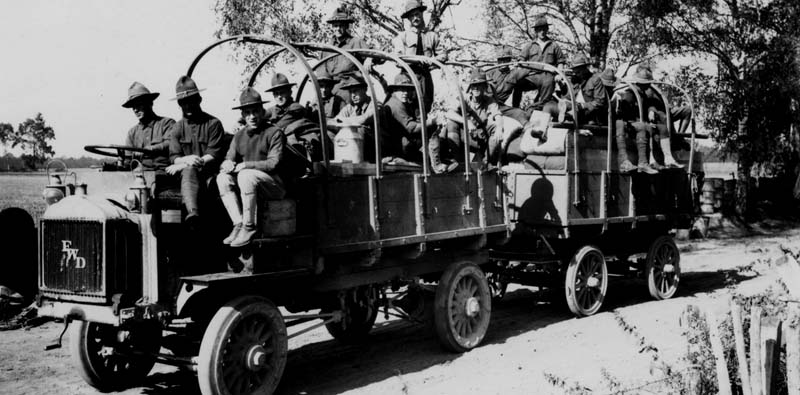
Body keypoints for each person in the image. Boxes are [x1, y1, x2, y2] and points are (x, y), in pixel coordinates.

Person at [217, 87, 287, 247]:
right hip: (250, 186)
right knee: (222, 178)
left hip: (274, 186)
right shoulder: (239, 136)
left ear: (262, 112)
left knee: (245, 174)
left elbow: (273, 163)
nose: (252, 116)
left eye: (255, 111)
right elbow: (229, 158)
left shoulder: (274, 132)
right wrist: (227, 164)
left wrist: (246, 165)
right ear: (242, 116)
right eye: (247, 113)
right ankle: (239, 224)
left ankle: (249, 226)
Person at [166, 76, 226, 226]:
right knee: (187, 171)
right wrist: (185, 160)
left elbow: (214, 154)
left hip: (208, 174)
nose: (188, 106)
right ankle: (192, 214)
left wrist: (188, 163)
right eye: (183, 102)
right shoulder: (177, 128)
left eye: (191, 100)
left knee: (189, 170)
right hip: (186, 178)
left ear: (199, 99)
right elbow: (174, 156)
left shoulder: (213, 124)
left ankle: (193, 212)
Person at [383, 73, 455, 173]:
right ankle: (437, 165)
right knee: (431, 129)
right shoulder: (395, 105)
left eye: (407, 89)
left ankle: (440, 159)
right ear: (395, 90)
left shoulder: (400, 103)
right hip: (399, 146)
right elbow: (412, 128)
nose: (405, 93)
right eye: (402, 89)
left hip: (399, 143)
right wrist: (432, 121)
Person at [393, 0, 447, 112]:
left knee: (425, 106)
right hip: (407, 76)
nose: (415, 18)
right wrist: (418, 59)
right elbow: (398, 59)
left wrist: (432, 61)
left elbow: (443, 55)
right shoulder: (403, 36)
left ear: (422, 14)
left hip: (425, 76)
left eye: (417, 14)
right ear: (408, 19)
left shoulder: (432, 36)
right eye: (411, 16)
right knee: (406, 107)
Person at [627, 65, 684, 170]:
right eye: (646, 83)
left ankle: (669, 158)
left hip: (643, 122)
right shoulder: (630, 94)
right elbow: (626, 113)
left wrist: (651, 111)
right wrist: (639, 121)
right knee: (648, 128)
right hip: (633, 123)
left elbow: (649, 105)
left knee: (662, 128)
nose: (648, 85)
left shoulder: (643, 93)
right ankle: (652, 160)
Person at [444, 68, 504, 163]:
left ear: (484, 87)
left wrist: (499, 128)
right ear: (470, 88)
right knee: (451, 123)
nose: (476, 88)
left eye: (479, 85)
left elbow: (498, 116)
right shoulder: (464, 98)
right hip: (465, 136)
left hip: (480, 138)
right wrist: (466, 122)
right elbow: (449, 113)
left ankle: (486, 162)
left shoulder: (489, 100)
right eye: (474, 85)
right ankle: (458, 162)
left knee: (495, 128)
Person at [265, 73, 327, 161]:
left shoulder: (296, 108)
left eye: (282, 92)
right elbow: (262, 115)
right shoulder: (273, 109)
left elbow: (281, 124)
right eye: (276, 94)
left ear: (290, 92)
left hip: (295, 143)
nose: (279, 96)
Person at [515, 16, 566, 113]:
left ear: (547, 29)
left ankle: (533, 109)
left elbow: (561, 61)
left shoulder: (554, 45)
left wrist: (560, 74)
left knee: (546, 98)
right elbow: (521, 60)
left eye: (544, 29)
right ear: (536, 31)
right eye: (539, 29)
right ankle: (515, 110)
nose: (542, 32)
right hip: (532, 76)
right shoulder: (530, 45)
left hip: (548, 76)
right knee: (517, 84)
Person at [324, 5, 372, 103]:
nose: (338, 28)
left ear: (346, 26)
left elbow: (374, 54)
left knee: (343, 98)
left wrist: (369, 58)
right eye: (335, 25)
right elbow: (322, 72)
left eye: (341, 25)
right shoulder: (327, 48)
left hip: (350, 85)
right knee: (316, 105)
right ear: (332, 27)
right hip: (331, 87)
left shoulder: (355, 42)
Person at [122, 82, 175, 169]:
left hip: (165, 173)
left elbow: (171, 143)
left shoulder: (167, 123)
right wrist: (122, 160)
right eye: (133, 106)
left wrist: (151, 149)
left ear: (149, 103)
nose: (135, 109)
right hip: (140, 175)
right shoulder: (132, 133)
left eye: (138, 104)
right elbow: (128, 161)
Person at [559, 54, 608, 125]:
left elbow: (599, 102)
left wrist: (582, 106)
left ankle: (568, 118)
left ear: (585, 68)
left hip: (589, 112)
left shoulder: (595, 80)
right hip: (575, 107)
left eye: (578, 72)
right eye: (575, 72)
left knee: (574, 114)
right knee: (550, 106)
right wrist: (562, 88)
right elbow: (569, 97)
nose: (576, 74)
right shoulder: (575, 80)